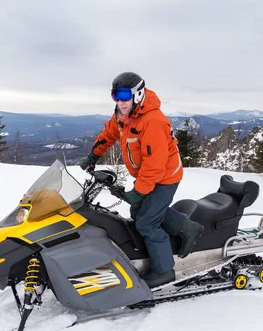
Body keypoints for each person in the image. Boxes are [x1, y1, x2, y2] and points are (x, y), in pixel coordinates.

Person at [79, 71, 204, 288]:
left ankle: (164, 270)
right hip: (148, 174)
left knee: (147, 221)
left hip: (165, 176)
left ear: (137, 95)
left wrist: (138, 192)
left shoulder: (153, 122)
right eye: (115, 96)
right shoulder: (122, 116)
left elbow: (155, 164)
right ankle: (188, 228)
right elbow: (108, 134)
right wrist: (93, 155)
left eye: (125, 96)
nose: (120, 101)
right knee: (138, 211)